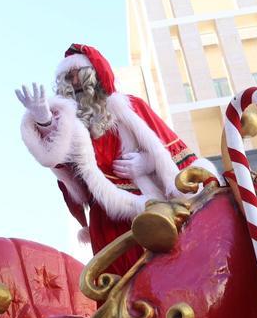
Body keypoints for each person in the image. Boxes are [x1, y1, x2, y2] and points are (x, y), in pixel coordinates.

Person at [17, 44, 215, 272]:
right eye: (67, 78)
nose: (74, 83)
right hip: (109, 218)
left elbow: (168, 150)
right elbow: (60, 163)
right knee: (123, 285)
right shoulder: (67, 126)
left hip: (156, 205)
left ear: (94, 75)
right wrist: (45, 121)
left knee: (174, 273)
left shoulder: (131, 107)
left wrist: (146, 163)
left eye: (78, 75)